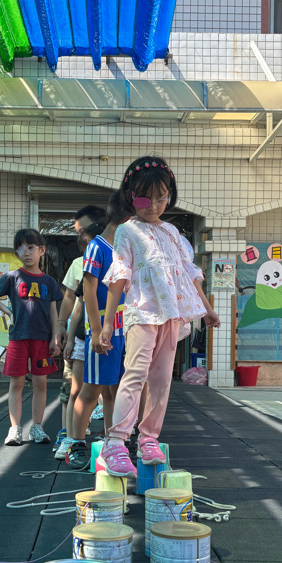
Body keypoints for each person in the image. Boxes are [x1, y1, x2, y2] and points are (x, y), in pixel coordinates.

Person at [96, 156, 220, 477]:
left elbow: (190, 274)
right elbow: (120, 275)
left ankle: (148, 438)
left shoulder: (174, 233)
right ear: (130, 197)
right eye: (144, 199)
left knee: (162, 379)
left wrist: (207, 309)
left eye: (161, 198)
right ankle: (115, 442)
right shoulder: (127, 231)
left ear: (170, 195)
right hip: (142, 312)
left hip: (172, 315)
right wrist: (107, 324)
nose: (152, 206)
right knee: (135, 374)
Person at [63, 192, 132, 470]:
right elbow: (88, 290)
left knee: (116, 391)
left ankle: (113, 442)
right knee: (91, 390)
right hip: (103, 329)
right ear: (126, 218)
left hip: (124, 329)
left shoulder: (126, 248)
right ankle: (76, 443)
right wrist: (95, 330)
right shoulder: (97, 247)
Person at [0, 229, 63, 446]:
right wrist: (8, 311)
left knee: (40, 383)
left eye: (30, 247)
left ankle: (37, 427)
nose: (26, 252)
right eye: (20, 248)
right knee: (16, 382)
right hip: (18, 337)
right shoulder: (12, 277)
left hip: (42, 339)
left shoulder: (49, 282)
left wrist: (54, 338)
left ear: (42, 250)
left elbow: (53, 312)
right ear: (16, 253)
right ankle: (15, 429)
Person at [53, 207, 107, 452]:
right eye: (78, 233)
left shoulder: (118, 258)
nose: (81, 237)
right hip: (82, 335)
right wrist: (62, 326)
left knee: (108, 389)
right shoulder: (78, 263)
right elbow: (73, 300)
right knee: (74, 388)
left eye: (84, 231)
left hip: (109, 334)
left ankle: (112, 439)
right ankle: (70, 436)